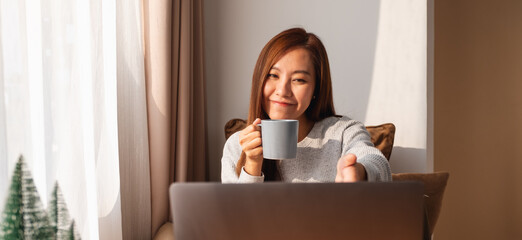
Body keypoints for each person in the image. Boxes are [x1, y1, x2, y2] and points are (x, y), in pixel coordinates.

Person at [221, 28, 391, 183]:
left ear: (316, 88)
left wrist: (359, 172)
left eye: (299, 80)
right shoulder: (237, 145)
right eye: (273, 75)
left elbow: (376, 162)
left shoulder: (343, 132)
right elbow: (237, 215)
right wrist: (252, 166)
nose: (282, 90)